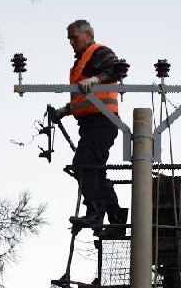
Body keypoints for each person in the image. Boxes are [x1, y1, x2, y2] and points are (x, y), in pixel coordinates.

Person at [54, 19, 127, 238]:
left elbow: (115, 70)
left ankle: (95, 211)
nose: (71, 42)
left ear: (88, 34)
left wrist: (96, 79)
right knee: (95, 171)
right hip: (90, 125)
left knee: (83, 165)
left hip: (102, 122)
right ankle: (116, 219)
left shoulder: (99, 52)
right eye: (69, 38)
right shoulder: (80, 63)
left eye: (74, 37)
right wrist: (65, 110)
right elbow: (84, 97)